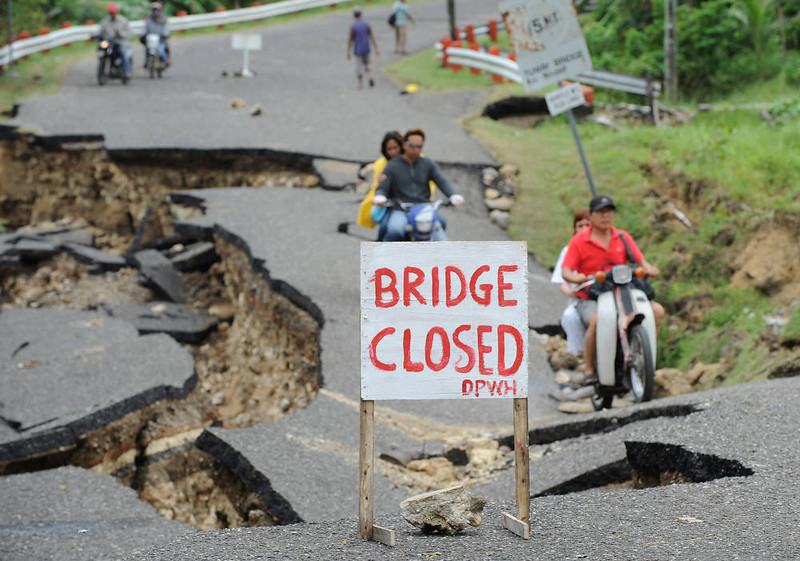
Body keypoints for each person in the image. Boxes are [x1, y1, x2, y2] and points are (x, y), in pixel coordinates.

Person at [561, 195, 665, 382]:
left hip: (622, 289)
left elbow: (641, 261)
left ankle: (645, 357)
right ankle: (589, 369)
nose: (606, 216)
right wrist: (577, 277)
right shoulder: (579, 241)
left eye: (609, 212)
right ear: (591, 216)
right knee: (596, 320)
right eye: (601, 212)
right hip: (592, 294)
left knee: (656, 311)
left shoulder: (622, 237)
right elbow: (566, 270)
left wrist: (649, 268)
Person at [374, 128, 464, 241]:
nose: (416, 150)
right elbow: (383, 186)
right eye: (412, 146)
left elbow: (441, 180)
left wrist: (452, 195)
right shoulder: (392, 165)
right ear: (404, 145)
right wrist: (380, 196)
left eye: (419, 146)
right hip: (401, 210)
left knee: (441, 225)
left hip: (424, 208)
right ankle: (384, 256)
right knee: (394, 230)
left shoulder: (428, 164)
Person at [551, 209, 591, 357]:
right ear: (574, 228)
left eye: (588, 224)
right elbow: (561, 280)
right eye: (580, 225)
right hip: (578, 298)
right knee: (570, 317)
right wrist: (572, 292)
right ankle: (577, 355)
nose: (584, 229)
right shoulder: (568, 251)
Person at [347, 8, 379, 89]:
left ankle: (360, 84)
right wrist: (376, 48)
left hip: (358, 49)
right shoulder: (366, 24)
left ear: (354, 15)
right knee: (367, 64)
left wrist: (348, 51)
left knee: (359, 67)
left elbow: (350, 40)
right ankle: (370, 77)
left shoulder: (353, 26)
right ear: (361, 14)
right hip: (366, 47)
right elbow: (372, 36)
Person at [99, 3, 133, 79]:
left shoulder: (123, 21)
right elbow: (100, 31)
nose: (112, 14)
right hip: (109, 43)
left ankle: (127, 72)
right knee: (102, 51)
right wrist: (93, 35)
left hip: (121, 42)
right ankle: (104, 71)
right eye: (111, 13)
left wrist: (120, 33)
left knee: (124, 54)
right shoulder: (105, 21)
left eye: (113, 13)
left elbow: (129, 33)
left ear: (117, 12)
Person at [142, 2, 171, 68]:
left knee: (161, 52)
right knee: (147, 50)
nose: (155, 11)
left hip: (160, 39)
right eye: (154, 10)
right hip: (151, 39)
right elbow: (144, 28)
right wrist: (143, 34)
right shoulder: (148, 19)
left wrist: (165, 34)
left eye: (157, 10)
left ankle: (166, 61)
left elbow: (166, 29)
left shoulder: (163, 19)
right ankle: (147, 62)